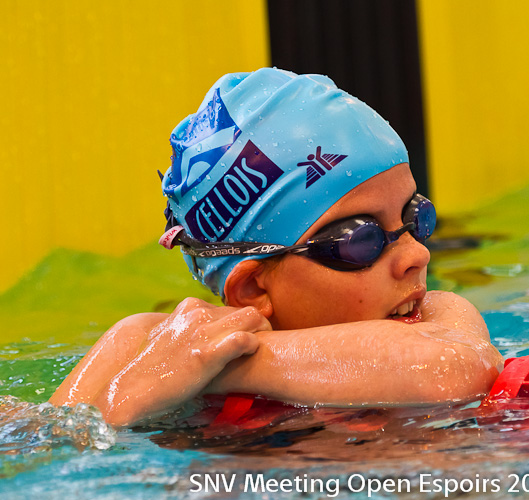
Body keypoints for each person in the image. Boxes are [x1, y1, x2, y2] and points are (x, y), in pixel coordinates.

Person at [49, 68, 504, 427]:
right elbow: (49, 447)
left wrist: (213, 369)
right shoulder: (141, 343)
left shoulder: (438, 318)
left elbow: (456, 369)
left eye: (415, 218)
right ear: (252, 289)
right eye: (360, 239)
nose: (417, 255)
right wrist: (131, 396)